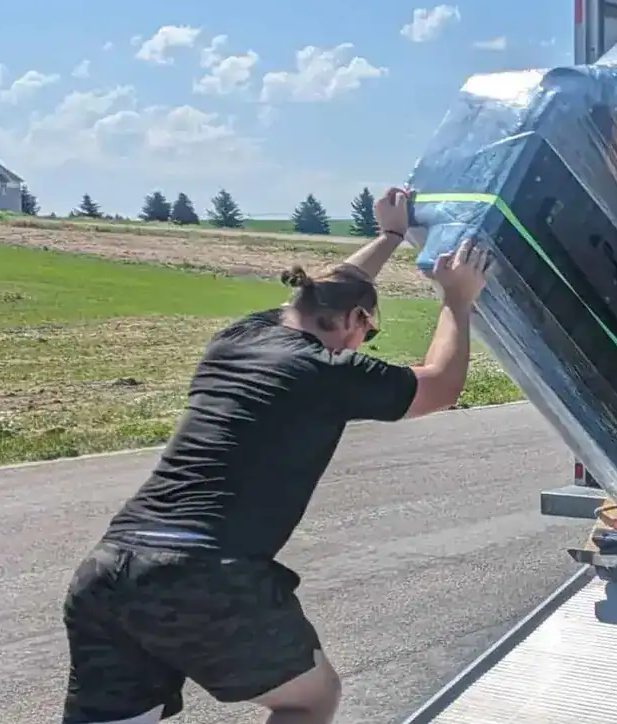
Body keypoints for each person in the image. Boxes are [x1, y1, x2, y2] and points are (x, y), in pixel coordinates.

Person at [60, 187, 492, 724]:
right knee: (310, 699)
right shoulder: (326, 370)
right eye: (369, 331)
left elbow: (323, 292)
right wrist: (457, 300)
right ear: (355, 319)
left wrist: (390, 236)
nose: (363, 343)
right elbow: (439, 386)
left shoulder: (237, 338)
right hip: (202, 573)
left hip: (107, 569)